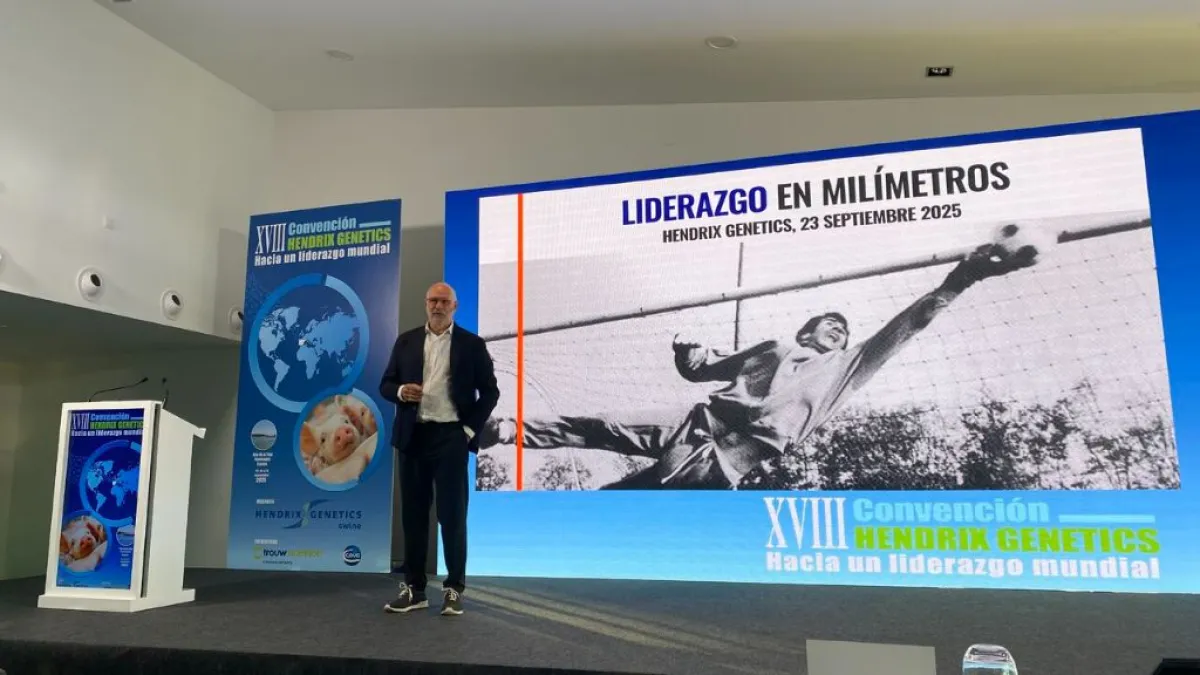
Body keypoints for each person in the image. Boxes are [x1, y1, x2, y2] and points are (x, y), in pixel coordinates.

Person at [478, 240, 1037, 490]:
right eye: (829, 322)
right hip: (695, 421)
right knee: (602, 424)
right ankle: (500, 430)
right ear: (806, 330)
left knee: (624, 506)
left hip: (729, 459)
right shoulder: (772, 346)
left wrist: (962, 278)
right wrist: (687, 350)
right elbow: (701, 370)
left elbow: (910, 323)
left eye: (844, 328)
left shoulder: (847, 368)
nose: (838, 329)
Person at [380, 281, 499, 616]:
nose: (438, 306)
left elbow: (490, 392)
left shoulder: (472, 345)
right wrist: (401, 391)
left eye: (444, 301)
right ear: (425, 303)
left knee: (452, 517)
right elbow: (386, 384)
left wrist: (467, 430)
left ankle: (453, 589)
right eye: (433, 300)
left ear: (455, 307)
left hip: (451, 438)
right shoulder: (405, 342)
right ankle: (415, 590)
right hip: (412, 437)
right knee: (414, 517)